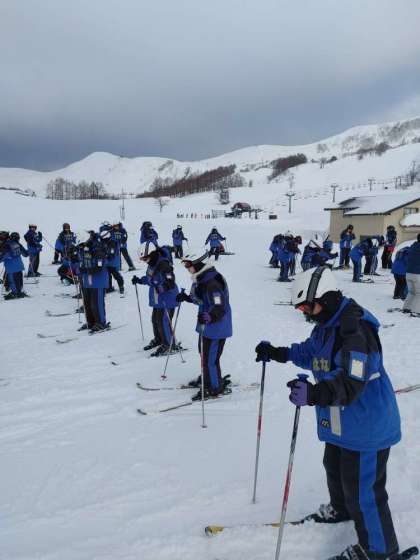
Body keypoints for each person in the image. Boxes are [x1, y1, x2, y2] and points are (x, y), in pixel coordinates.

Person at [255, 266, 401, 560]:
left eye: (308, 306)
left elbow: (351, 381)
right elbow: (312, 352)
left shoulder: (356, 331)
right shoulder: (327, 324)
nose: (305, 312)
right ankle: (342, 509)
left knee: (364, 490)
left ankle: (379, 551)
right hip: (342, 420)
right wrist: (279, 352)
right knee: (334, 467)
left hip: (366, 423)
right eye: (301, 308)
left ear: (327, 297)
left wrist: (314, 394)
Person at [176, 254, 232, 400]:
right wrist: (187, 298)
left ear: (198, 263)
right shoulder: (201, 278)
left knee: (210, 359)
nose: (187, 268)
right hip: (207, 326)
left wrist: (210, 316)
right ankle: (207, 377)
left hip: (216, 328)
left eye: (188, 265)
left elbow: (219, 306)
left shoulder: (212, 283)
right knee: (204, 354)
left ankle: (214, 387)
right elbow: (201, 300)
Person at [132, 248, 180, 356]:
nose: (144, 261)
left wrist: (162, 288)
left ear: (152, 254)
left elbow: (171, 282)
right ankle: (159, 339)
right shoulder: (152, 264)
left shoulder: (164, 265)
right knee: (155, 319)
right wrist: (140, 280)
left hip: (167, 298)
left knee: (163, 321)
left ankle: (169, 344)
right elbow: (150, 278)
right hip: (158, 298)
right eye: (142, 259)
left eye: (145, 258)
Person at [77, 231, 109, 332]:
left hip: (98, 281)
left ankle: (101, 322)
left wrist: (86, 270)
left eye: (82, 244)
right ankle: (90, 322)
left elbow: (99, 267)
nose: (81, 247)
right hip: (87, 281)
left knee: (96, 303)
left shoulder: (98, 250)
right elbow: (81, 263)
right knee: (87, 304)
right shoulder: (83, 250)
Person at [0, 232, 29, 299]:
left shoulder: (6, 245)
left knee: (12, 281)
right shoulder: (15, 243)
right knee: (18, 280)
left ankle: (14, 293)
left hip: (11, 267)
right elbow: (25, 254)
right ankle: (19, 292)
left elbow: (3, 256)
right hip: (19, 265)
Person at [100, 223, 124, 295]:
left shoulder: (112, 243)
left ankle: (121, 286)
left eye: (103, 238)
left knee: (115, 274)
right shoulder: (105, 242)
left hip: (113, 262)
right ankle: (109, 287)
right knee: (108, 274)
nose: (102, 240)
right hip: (107, 262)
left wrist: (105, 256)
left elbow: (111, 254)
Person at [403, 234, 420, 315]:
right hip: (417, 274)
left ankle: (406, 308)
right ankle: (416, 311)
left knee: (411, 292)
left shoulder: (413, 246)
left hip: (408, 273)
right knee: (418, 293)